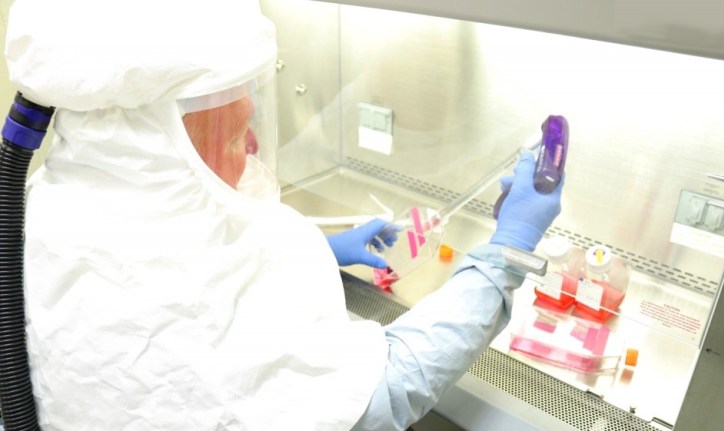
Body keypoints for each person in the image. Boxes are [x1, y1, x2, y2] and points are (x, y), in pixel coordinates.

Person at [5, 0, 562, 430]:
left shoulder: (63, 211)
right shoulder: (170, 298)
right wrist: (505, 253)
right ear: (161, 139)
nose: (250, 143)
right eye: (228, 133)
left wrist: (321, 249)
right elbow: (379, 398)